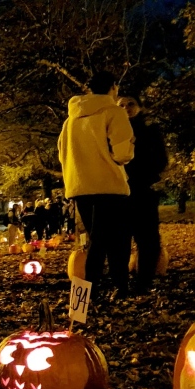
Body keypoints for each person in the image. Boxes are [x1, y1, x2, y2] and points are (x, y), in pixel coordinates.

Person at [59, 71, 134, 299]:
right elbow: (123, 151)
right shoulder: (114, 112)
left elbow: (63, 153)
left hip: (81, 187)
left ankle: (89, 291)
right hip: (109, 185)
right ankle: (118, 286)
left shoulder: (70, 120)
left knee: (97, 239)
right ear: (113, 87)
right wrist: (117, 157)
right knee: (116, 240)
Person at [118, 95, 168, 293]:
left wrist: (146, 175)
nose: (126, 108)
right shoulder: (108, 131)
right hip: (118, 192)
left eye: (131, 104)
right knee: (119, 240)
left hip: (142, 190)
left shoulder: (150, 131)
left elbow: (161, 160)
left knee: (148, 239)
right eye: (121, 105)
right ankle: (120, 282)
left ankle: (143, 282)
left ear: (139, 107)